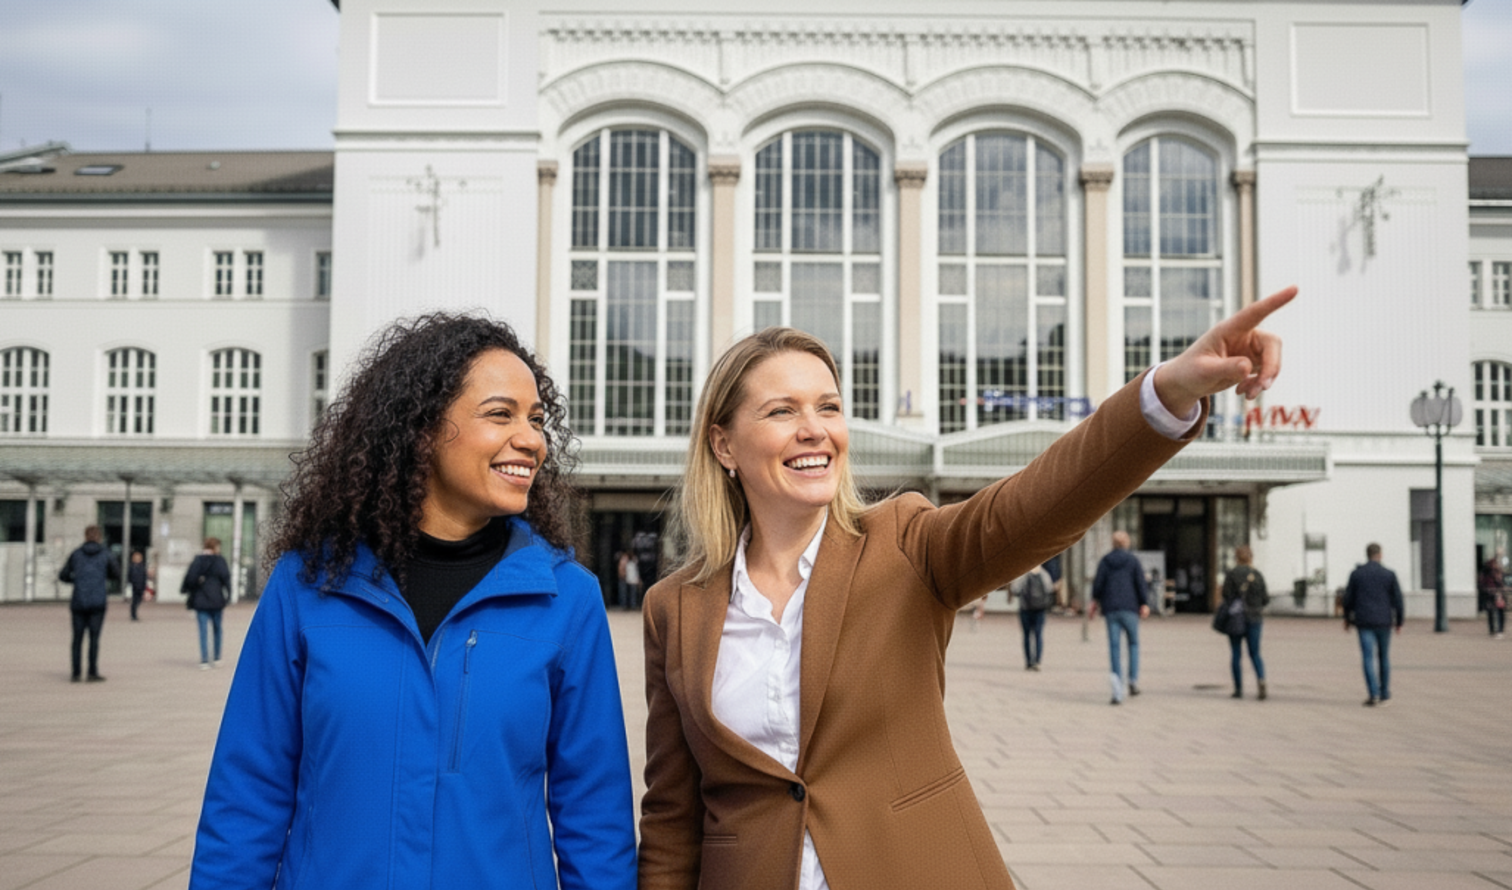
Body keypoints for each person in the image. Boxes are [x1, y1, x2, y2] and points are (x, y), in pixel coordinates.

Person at [638, 286, 1295, 890]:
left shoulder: (904, 543)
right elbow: (672, 813)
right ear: (724, 446)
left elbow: (1040, 501)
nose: (815, 428)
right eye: (782, 411)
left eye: (829, 407)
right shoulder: (675, 607)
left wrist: (1168, 391)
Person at [189, 313, 636, 890]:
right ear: (420, 428)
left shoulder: (567, 597)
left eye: (537, 420)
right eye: (500, 414)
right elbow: (247, 792)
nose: (531, 439)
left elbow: (595, 816)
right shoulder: (308, 584)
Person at [1089, 530, 1151, 704]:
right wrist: (1143, 603)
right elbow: (1140, 583)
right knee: (1133, 644)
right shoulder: (1133, 561)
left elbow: (1098, 584)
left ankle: (1117, 689)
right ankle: (1133, 680)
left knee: (1114, 647)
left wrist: (1095, 600)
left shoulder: (1106, 561)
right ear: (1127, 543)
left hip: (1111, 609)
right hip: (1130, 608)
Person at [1342, 542, 1405, 707]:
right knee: (1384, 657)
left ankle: (1373, 693)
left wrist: (1347, 618)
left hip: (1364, 622)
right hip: (1384, 622)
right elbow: (1398, 599)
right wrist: (1399, 621)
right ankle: (1385, 693)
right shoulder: (1389, 574)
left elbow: (1348, 599)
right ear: (1380, 555)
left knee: (1368, 657)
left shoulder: (1356, 574)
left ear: (1367, 554)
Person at [59, 525, 120, 682]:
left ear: (85, 536)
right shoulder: (106, 554)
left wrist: (77, 580)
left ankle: (76, 673)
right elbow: (117, 574)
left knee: (77, 638)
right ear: (99, 537)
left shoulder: (76, 554)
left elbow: (63, 575)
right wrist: (102, 580)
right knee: (94, 638)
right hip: (98, 602)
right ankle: (92, 672)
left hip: (79, 601)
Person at [1219, 545, 1270, 700]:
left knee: (1236, 652)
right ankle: (1261, 679)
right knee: (1255, 653)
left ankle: (1238, 689)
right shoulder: (1257, 575)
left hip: (1236, 617)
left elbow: (1225, 594)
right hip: (1255, 618)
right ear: (1251, 557)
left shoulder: (1233, 574)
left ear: (1237, 558)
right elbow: (1265, 598)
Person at [181, 538, 232, 669]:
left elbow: (190, 577)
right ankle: (216, 657)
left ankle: (204, 660)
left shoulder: (198, 560)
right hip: (217, 600)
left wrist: (187, 589)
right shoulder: (220, 561)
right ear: (215, 547)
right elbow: (226, 578)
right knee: (217, 629)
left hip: (200, 599)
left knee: (203, 630)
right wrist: (229, 595)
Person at [1009, 562, 1054, 670]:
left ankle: (1028, 661)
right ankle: (1037, 661)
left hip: (1025, 609)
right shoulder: (1044, 574)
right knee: (1038, 635)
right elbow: (1049, 589)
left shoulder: (1023, 574)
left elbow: (1015, 589)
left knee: (1026, 635)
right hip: (1040, 609)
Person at [1479, 548, 1506, 639]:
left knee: (1494, 611)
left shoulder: (1489, 571)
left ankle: (1494, 630)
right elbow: (1498, 582)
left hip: (1492, 592)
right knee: (1497, 611)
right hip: (1494, 592)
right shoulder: (1492, 570)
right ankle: (1498, 630)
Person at [127, 550, 149, 621]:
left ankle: (134, 613)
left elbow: (144, 576)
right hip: (135, 585)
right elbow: (129, 576)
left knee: (138, 600)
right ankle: (133, 614)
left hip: (141, 585)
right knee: (135, 601)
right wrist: (132, 582)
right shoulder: (132, 566)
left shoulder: (142, 566)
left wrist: (144, 584)